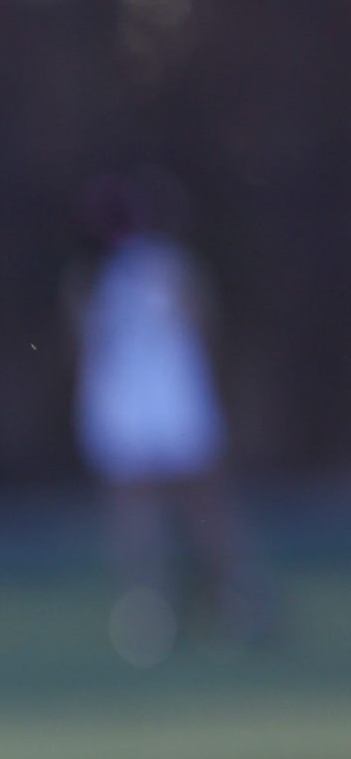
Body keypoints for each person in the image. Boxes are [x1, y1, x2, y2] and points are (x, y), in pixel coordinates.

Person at [70, 170, 274, 664]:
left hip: (126, 408)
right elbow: (205, 325)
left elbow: (80, 341)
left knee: (139, 514)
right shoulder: (171, 267)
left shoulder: (91, 279)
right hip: (175, 402)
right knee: (204, 506)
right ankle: (233, 601)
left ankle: (153, 611)